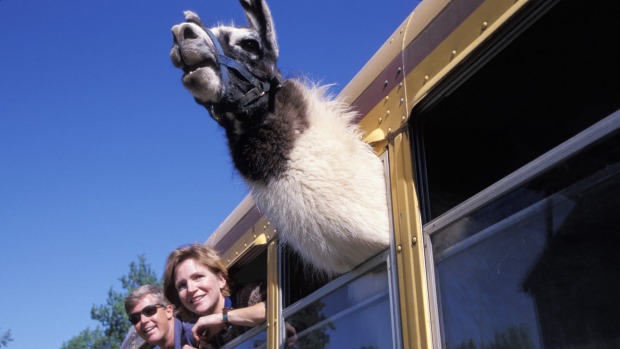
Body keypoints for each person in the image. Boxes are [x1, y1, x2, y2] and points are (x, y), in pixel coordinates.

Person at [163, 243, 266, 348]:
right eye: (182, 286)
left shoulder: (249, 296)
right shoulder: (205, 340)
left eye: (198, 277)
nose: (191, 289)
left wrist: (222, 317)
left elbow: (273, 306)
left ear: (221, 280)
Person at [124, 284, 197, 349]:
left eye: (149, 311)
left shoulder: (196, 337)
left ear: (168, 311)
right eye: (135, 318)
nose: (143, 321)